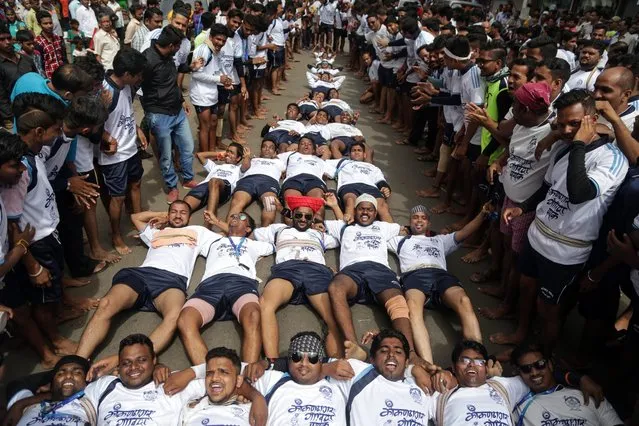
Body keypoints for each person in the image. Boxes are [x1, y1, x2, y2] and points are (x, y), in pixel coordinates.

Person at [497, 90, 629, 353]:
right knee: (526, 288)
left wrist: (579, 144)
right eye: (562, 123)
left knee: (549, 309)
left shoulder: (613, 160)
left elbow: (580, 192)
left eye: (575, 124)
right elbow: (548, 188)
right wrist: (523, 208)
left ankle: (541, 355)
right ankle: (521, 333)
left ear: (592, 120)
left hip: (565, 251)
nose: (567, 130)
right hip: (537, 236)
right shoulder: (561, 148)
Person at [74, 201, 216, 375]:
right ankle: (76, 364)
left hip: (172, 280)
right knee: (106, 304)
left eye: (183, 213)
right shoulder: (155, 232)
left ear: (190, 216)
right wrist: (163, 213)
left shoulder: (198, 232)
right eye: (174, 212)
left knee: (174, 317)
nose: (178, 215)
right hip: (141, 274)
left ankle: (129, 358)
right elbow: (136, 217)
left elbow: (226, 241)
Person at [2, 93, 74, 368]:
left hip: (46, 233)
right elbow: (13, 224)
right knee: (41, 299)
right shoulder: (19, 172)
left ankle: (53, 323)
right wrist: (31, 263)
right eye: (56, 130)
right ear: (39, 132)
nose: (59, 134)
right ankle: (54, 340)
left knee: (50, 292)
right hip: (36, 243)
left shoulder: (30, 155)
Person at [326, 194, 428, 366]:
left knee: (398, 302)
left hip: (380, 270)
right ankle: (353, 345)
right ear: (355, 210)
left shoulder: (384, 227)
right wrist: (336, 209)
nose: (365, 212)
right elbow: (316, 225)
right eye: (361, 209)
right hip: (353, 270)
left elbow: (409, 229)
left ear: (375, 213)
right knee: (335, 288)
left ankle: (410, 353)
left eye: (370, 209)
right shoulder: (343, 226)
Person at [83, 334, 266, 425]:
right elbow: (70, 406)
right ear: (119, 366)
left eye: (142, 360)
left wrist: (190, 372)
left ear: (154, 360)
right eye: (126, 363)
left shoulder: (173, 383)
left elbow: (225, 376)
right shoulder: (104, 386)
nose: (134, 368)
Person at [394, 204, 487, 362]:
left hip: (440, 274)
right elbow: (376, 234)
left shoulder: (440, 240)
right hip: (415, 274)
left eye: (423, 218)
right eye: (415, 217)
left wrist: (483, 213)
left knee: (464, 300)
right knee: (413, 308)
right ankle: (428, 363)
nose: (419, 220)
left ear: (429, 223)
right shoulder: (400, 240)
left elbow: (465, 232)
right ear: (410, 222)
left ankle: (477, 359)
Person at [177, 211, 272, 364]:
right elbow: (191, 236)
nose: (235, 218)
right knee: (185, 320)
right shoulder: (213, 241)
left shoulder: (255, 244)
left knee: (253, 315)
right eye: (233, 216)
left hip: (241, 283)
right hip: (211, 285)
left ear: (248, 229)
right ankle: (208, 373)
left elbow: (277, 241)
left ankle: (247, 377)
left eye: (242, 217)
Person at [253, 195, 341, 358]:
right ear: (292, 215)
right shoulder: (279, 230)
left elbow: (343, 232)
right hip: (287, 269)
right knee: (265, 304)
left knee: (333, 315)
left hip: (316, 271)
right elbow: (257, 232)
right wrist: (282, 210)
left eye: (307, 216)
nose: (302, 219)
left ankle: (336, 361)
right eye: (298, 215)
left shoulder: (320, 235)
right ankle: (273, 362)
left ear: (313, 218)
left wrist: (328, 220)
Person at [141, 25, 196, 203]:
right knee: (166, 155)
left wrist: (181, 100)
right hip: (159, 114)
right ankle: (172, 186)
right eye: (178, 45)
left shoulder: (169, 57)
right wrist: (149, 116)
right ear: (172, 45)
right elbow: (136, 87)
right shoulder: (147, 60)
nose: (180, 49)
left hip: (177, 111)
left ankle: (187, 179)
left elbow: (173, 83)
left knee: (187, 147)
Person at [99, 47, 146, 255]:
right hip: (114, 156)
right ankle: (116, 234)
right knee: (117, 197)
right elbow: (90, 124)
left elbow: (126, 113)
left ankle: (139, 220)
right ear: (127, 74)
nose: (140, 78)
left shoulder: (127, 87)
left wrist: (137, 130)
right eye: (138, 75)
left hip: (131, 149)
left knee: (135, 184)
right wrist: (107, 138)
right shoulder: (103, 92)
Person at [510, 343, 623, 425]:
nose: (534, 373)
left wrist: (581, 378)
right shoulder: (519, 407)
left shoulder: (587, 393)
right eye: (526, 369)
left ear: (550, 364)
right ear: (519, 373)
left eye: (540, 364)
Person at [5, 355, 95, 425]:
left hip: (45, 397)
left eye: (77, 372)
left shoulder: (92, 399)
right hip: (42, 401)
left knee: (15, 386)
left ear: (88, 381)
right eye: (60, 373)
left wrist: (19, 405)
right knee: (15, 385)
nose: (68, 376)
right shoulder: (31, 406)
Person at [179, 347, 253, 425]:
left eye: (223, 372)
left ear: (238, 380)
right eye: (209, 373)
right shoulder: (190, 409)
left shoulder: (252, 410)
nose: (214, 378)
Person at [189, 23, 231, 153]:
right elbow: (196, 74)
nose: (221, 43)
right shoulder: (204, 50)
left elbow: (213, 71)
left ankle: (212, 150)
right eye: (218, 39)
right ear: (211, 37)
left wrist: (224, 80)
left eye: (223, 40)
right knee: (205, 127)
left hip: (212, 93)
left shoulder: (215, 50)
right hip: (201, 94)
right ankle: (205, 155)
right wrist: (219, 79)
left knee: (213, 124)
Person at [225, 139, 285, 227]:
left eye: (271, 148)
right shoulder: (253, 159)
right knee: (237, 203)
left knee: (270, 204)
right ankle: (228, 230)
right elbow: (244, 168)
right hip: (248, 180)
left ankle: (264, 233)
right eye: (264, 147)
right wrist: (247, 157)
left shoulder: (279, 162)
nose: (267, 149)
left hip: (268, 181)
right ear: (261, 150)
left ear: (275, 152)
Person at [327, 141, 392, 222]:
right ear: (350, 155)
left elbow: (380, 180)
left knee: (382, 206)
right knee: (350, 201)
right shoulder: (343, 162)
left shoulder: (373, 167)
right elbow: (321, 164)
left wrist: (385, 188)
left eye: (359, 150)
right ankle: (348, 228)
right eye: (354, 150)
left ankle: (392, 231)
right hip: (349, 185)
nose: (356, 152)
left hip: (370, 187)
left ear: (364, 154)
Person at [0, 22, 36, 131]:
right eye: (2, 40)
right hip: (14, 116)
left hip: (34, 109)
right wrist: (9, 118)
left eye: (9, 38)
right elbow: (1, 96)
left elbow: (36, 80)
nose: (7, 42)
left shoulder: (26, 59)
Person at [34, 11, 67, 79]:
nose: (49, 26)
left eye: (50, 23)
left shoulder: (58, 38)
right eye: (45, 24)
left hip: (63, 74)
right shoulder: (38, 42)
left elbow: (64, 57)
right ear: (39, 25)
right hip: (50, 78)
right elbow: (39, 65)